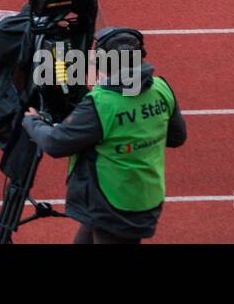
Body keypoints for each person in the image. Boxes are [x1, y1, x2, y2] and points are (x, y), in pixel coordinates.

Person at [21, 27, 188, 244]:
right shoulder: (161, 88)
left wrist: (32, 121)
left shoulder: (102, 103)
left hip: (112, 202)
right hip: (144, 194)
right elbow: (177, 137)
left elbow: (55, 143)